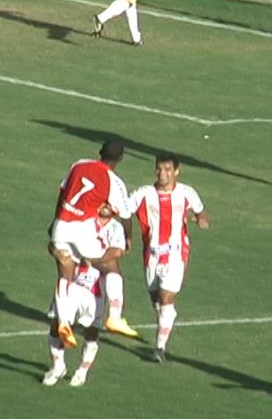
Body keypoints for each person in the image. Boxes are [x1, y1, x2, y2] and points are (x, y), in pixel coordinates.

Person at [49, 141, 138, 341]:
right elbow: (125, 215)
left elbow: (62, 194)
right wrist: (128, 238)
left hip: (61, 225)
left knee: (65, 273)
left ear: (100, 152)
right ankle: (114, 316)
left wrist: (55, 221)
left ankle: (64, 322)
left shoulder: (78, 164)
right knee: (110, 265)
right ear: (120, 159)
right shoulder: (113, 181)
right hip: (81, 229)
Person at [128, 153, 209, 362]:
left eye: (167, 170)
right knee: (156, 300)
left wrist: (201, 220)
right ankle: (168, 316)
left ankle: (159, 349)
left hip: (175, 253)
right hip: (151, 254)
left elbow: (201, 212)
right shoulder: (144, 194)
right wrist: (126, 235)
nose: (162, 174)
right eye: (159, 169)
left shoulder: (186, 193)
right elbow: (124, 210)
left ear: (176, 172)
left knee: (165, 297)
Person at [43, 203, 128, 387]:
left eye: (108, 202)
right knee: (56, 324)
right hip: (71, 282)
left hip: (94, 288)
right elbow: (53, 237)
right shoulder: (80, 219)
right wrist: (56, 252)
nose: (104, 205)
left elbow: (116, 252)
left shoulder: (116, 227)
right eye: (102, 202)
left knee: (91, 331)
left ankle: (82, 370)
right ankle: (58, 366)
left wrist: (89, 258)